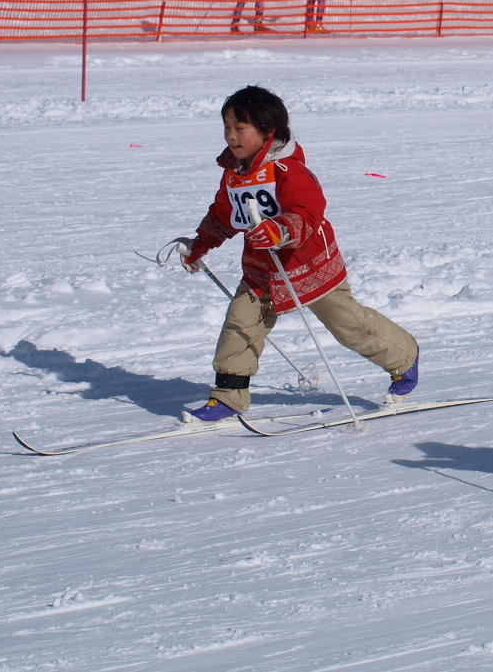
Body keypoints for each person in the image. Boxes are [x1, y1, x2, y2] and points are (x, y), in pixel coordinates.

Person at [180, 85, 420, 422]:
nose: (231, 136)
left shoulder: (288, 170)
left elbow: (309, 211)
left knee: (347, 324)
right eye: (227, 127)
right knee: (240, 324)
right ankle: (228, 398)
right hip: (262, 270)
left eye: (240, 128)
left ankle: (404, 358)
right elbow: (224, 215)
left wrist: (280, 230)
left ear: (268, 131)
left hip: (309, 266)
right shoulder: (235, 173)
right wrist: (199, 245)